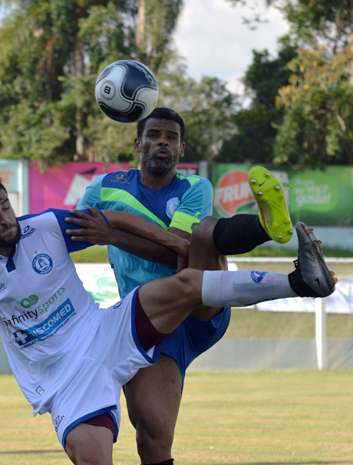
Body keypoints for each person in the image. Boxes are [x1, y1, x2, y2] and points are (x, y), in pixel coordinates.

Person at [0, 171, 335, 465]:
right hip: (62, 380)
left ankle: (302, 282)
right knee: (94, 458)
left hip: (103, 329)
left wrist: (170, 239)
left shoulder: (46, 225)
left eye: (5, 205)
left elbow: (111, 218)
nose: (6, 218)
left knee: (187, 283)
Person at [72, 107, 296, 465]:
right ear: (137, 143)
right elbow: (71, 230)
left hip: (196, 307)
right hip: (146, 322)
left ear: (181, 149)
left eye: (171, 137)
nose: (163, 141)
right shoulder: (104, 187)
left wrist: (111, 233)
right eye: (154, 135)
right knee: (150, 435)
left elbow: (174, 250)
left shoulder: (194, 186)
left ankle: (265, 227)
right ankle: (271, 239)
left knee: (203, 235)